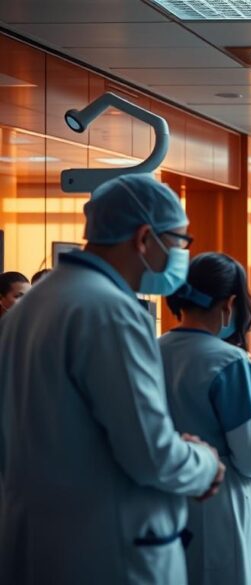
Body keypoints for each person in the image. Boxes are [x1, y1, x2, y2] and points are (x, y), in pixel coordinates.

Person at [0, 173, 224, 585]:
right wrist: (204, 463)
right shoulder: (111, 312)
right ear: (144, 239)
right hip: (108, 551)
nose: (181, 256)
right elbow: (150, 454)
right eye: (179, 242)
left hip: (38, 543)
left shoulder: (28, 310)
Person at [161, 252, 251, 585]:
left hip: (164, 504)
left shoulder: (150, 351)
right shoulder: (229, 362)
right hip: (218, 506)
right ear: (231, 304)